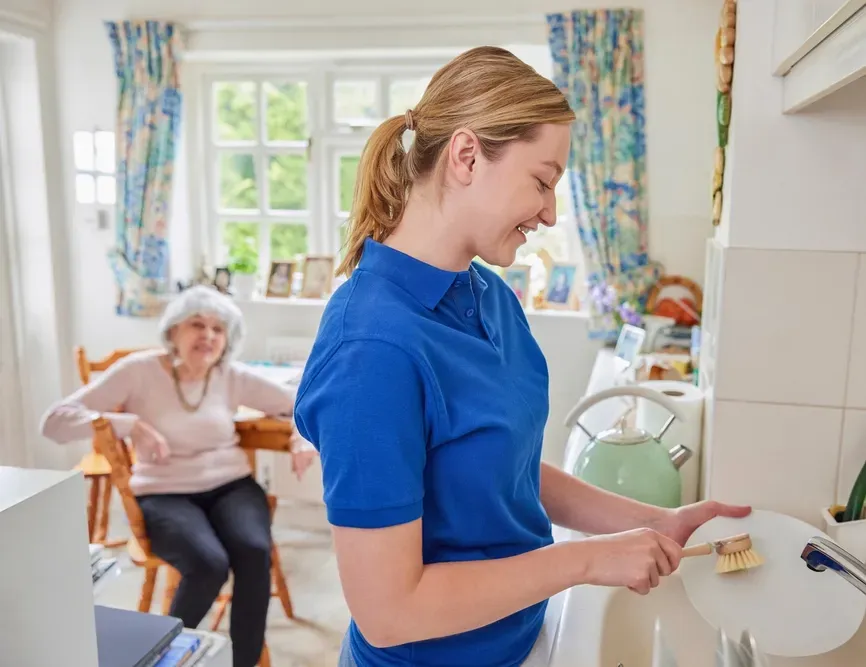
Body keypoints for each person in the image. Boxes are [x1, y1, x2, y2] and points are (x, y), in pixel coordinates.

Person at [293, 46, 750, 667]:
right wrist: (588, 558)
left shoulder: (487, 295)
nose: (550, 211)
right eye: (542, 181)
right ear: (466, 156)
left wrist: (659, 520)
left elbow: (506, 470)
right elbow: (388, 613)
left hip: (519, 643)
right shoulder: (371, 350)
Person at [40, 285, 317, 667]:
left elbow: (304, 402)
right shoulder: (138, 371)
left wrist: (302, 439)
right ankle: (158, 655)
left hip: (231, 486)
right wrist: (127, 424)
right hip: (164, 492)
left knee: (254, 551)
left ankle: (245, 661)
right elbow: (54, 423)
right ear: (173, 331)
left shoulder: (230, 375)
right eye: (197, 325)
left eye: (219, 329)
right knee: (208, 563)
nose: (208, 336)